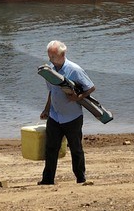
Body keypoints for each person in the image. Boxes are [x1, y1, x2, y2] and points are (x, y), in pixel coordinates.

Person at [38, 40, 93, 185]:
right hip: (55, 116)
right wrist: (46, 109)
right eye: (49, 56)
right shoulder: (49, 70)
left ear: (62, 55)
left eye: (53, 56)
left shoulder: (74, 69)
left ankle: (81, 178)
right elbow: (52, 92)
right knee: (51, 148)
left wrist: (77, 97)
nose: (51, 59)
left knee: (76, 148)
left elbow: (90, 87)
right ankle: (47, 179)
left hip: (72, 117)